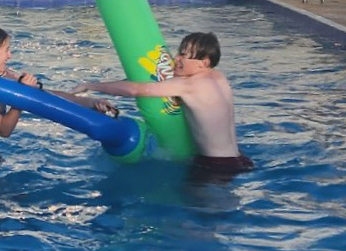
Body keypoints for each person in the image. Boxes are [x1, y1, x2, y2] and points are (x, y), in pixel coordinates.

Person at [0, 24, 117, 178]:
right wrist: (22, 93)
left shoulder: (5, 77)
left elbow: (49, 96)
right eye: (6, 50)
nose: (10, 56)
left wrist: (91, 103)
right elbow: (4, 129)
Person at [80, 31, 253, 176]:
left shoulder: (189, 85)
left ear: (204, 62)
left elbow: (135, 90)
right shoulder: (218, 77)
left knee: (200, 214)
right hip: (239, 158)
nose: (176, 58)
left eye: (184, 55)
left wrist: (92, 85)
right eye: (179, 52)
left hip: (215, 166)